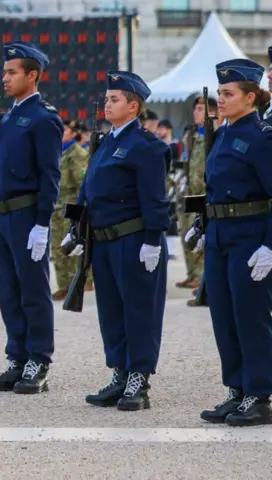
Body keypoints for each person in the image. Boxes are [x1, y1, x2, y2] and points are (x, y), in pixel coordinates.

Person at [68, 72, 171, 411]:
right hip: (104, 241)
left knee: (138, 310)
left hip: (134, 239)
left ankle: (139, 378)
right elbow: (89, 187)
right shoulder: (105, 141)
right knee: (111, 311)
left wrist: (154, 239)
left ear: (133, 106)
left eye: (114, 99)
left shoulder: (147, 146)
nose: (107, 104)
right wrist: (77, 227)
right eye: (107, 98)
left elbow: (155, 197)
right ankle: (120, 372)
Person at [0, 41, 62, 394]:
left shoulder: (43, 118)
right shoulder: (7, 117)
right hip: (2, 213)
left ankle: (38, 359)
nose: (4, 78)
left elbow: (49, 175)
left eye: (12, 72)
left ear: (32, 75)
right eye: (4, 72)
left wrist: (42, 222)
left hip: (26, 214)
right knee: (8, 290)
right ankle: (17, 356)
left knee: (33, 291)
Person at [192, 58, 272, 426]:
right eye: (220, 93)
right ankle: (237, 389)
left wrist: (269, 245)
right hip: (220, 236)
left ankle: (259, 394)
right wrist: (202, 223)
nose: (220, 100)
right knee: (223, 316)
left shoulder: (261, 137)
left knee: (250, 317)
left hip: (248, 236)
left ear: (251, 97)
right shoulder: (222, 133)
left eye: (228, 93)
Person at [180, 94, 217, 302]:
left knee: (207, 243)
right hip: (193, 194)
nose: (196, 112)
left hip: (207, 195)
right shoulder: (193, 137)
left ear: (212, 113)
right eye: (195, 109)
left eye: (201, 109)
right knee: (192, 237)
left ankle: (205, 285)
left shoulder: (215, 135)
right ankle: (197, 278)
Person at [52, 119, 89, 301]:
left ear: (74, 133)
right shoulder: (59, 151)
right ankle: (63, 284)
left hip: (70, 205)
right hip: (58, 205)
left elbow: (82, 184)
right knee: (57, 248)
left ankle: (73, 284)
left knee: (71, 245)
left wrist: (78, 213)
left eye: (65, 129)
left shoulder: (77, 153)